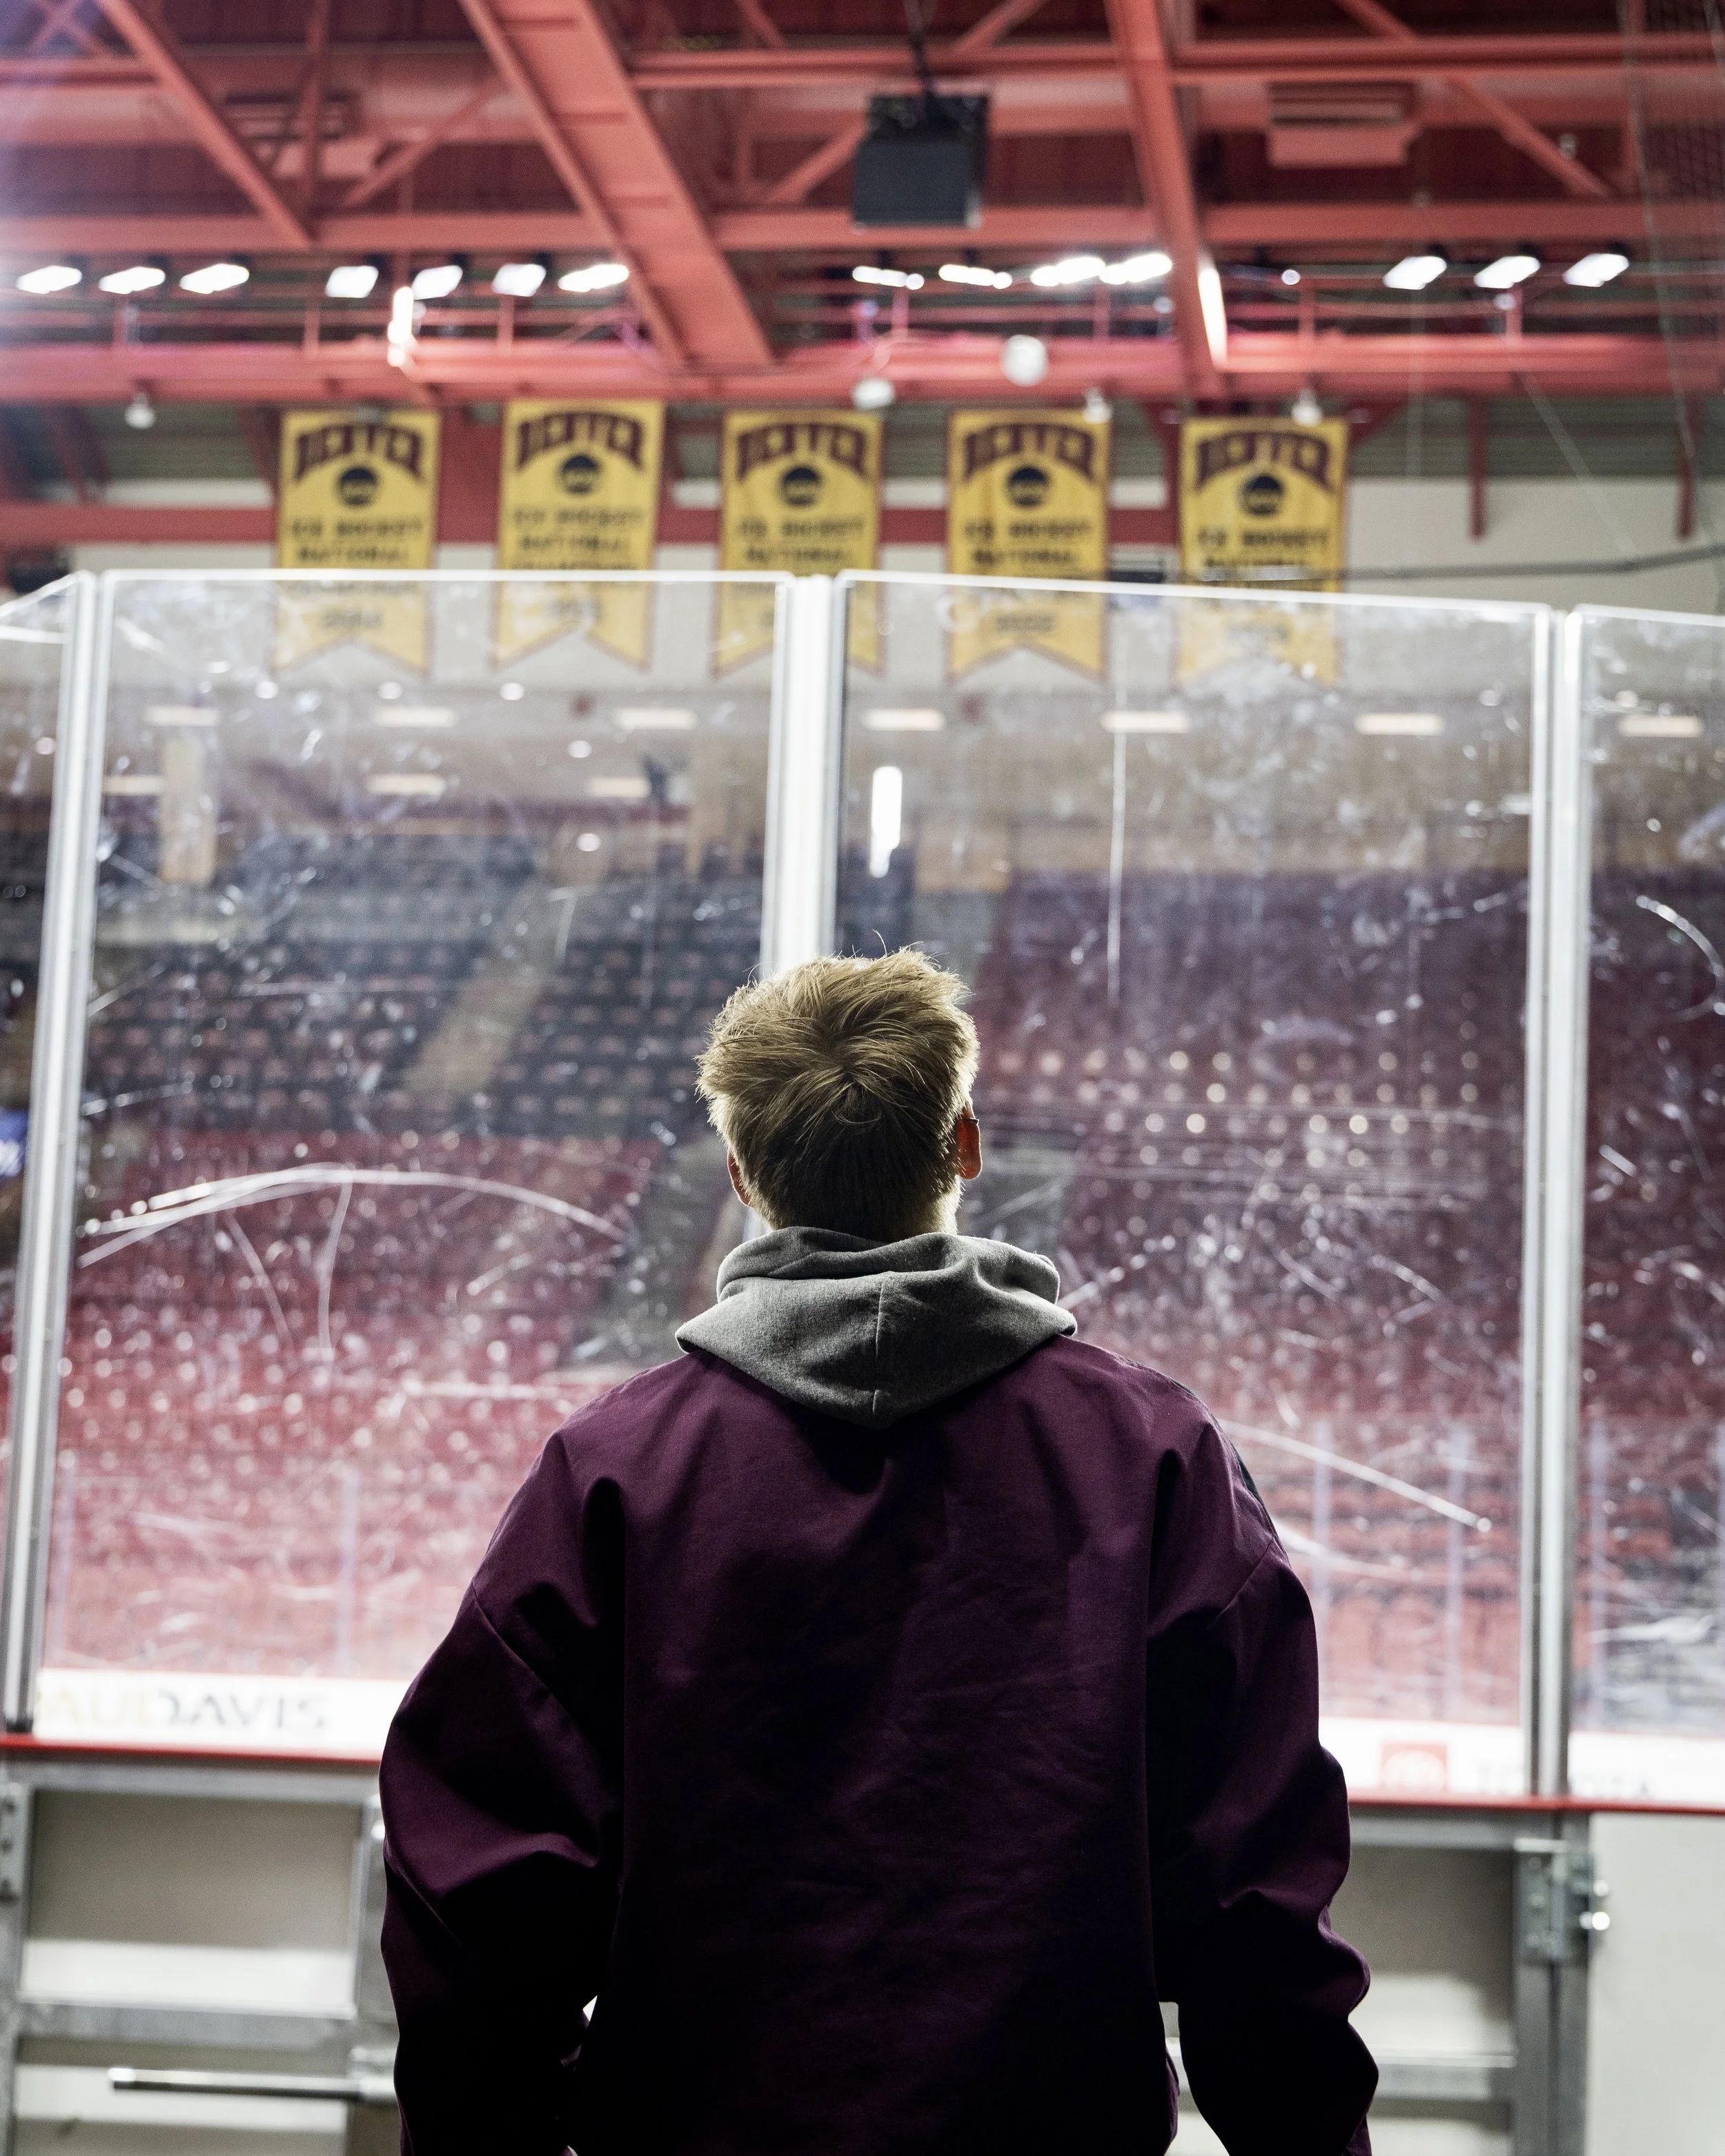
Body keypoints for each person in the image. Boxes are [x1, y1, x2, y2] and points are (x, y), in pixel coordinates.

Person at [379, 949, 1377, 2156]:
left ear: (742, 1176)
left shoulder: (614, 1471)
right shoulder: (1152, 1454)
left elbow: (482, 1902)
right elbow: (1257, 1893)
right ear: (964, 1144)